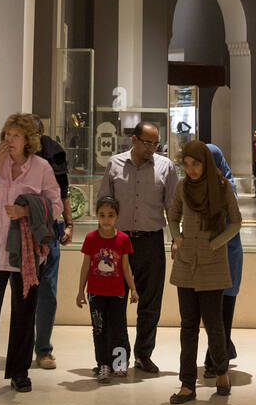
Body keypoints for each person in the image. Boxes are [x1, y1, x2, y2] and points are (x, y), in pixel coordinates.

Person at [0, 113, 62, 399]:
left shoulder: (41, 168)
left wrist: (27, 211)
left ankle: (19, 372)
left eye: (15, 136)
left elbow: (54, 205)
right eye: (7, 134)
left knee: (23, 311)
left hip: (27, 253)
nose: (9, 140)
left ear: (28, 140)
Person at [97, 120, 178, 373]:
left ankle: (144, 354)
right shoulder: (115, 164)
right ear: (134, 140)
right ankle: (117, 359)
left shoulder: (166, 167)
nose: (152, 148)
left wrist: (176, 239)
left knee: (150, 303)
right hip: (119, 243)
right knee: (115, 302)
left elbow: (173, 209)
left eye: (156, 143)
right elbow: (103, 204)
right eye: (147, 143)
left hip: (152, 242)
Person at [167, 140, 242, 403]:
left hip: (213, 263)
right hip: (187, 264)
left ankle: (221, 372)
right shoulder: (182, 187)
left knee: (214, 325)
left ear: (206, 163)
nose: (191, 170)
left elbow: (236, 221)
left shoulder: (222, 188)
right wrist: (177, 238)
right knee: (188, 327)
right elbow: (173, 216)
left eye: (196, 164)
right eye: (186, 165)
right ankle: (187, 384)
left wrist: (217, 242)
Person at [76, 196, 138, 381]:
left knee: (118, 329)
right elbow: (85, 266)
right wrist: (81, 291)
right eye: (102, 215)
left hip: (117, 294)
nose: (106, 219)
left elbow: (126, 268)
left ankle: (119, 363)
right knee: (99, 329)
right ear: (97, 216)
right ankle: (103, 364)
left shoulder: (123, 239)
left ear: (117, 216)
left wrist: (133, 289)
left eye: (110, 215)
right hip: (96, 294)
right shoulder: (90, 239)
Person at [33, 116, 75, 370]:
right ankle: (22, 346)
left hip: (50, 229)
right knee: (23, 292)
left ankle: (43, 348)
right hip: (22, 233)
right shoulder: (15, 160)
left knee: (47, 292)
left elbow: (63, 190)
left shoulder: (53, 154)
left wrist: (69, 224)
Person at [203, 143, 243, 377]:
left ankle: (216, 360)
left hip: (228, 255)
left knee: (223, 309)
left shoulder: (228, 187)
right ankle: (223, 350)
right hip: (208, 256)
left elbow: (232, 222)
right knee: (210, 311)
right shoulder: (197, 187)